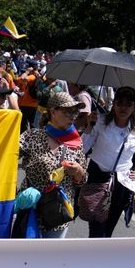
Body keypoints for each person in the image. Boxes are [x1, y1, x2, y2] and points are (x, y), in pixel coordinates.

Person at [82, 86, 135, 237]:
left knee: (109, 228)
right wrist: (88, 127)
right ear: (114, 104)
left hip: (122, 183)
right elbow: (83, 149)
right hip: (97, 178)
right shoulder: (100, 121)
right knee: (96, 228)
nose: (123, 108)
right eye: (119, 103)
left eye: (128, 104)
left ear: (134, 107)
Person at [17, 92, 88, 238]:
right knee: (25, 251)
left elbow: (83, 180)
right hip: (31, 208)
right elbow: (9, 154)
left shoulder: (76, 142)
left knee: (51, 252)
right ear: (53, 112)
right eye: (67, 112)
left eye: (75, 112)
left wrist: (78, 171)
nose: (72, 116)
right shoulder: (33, 136)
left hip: (58, 214)